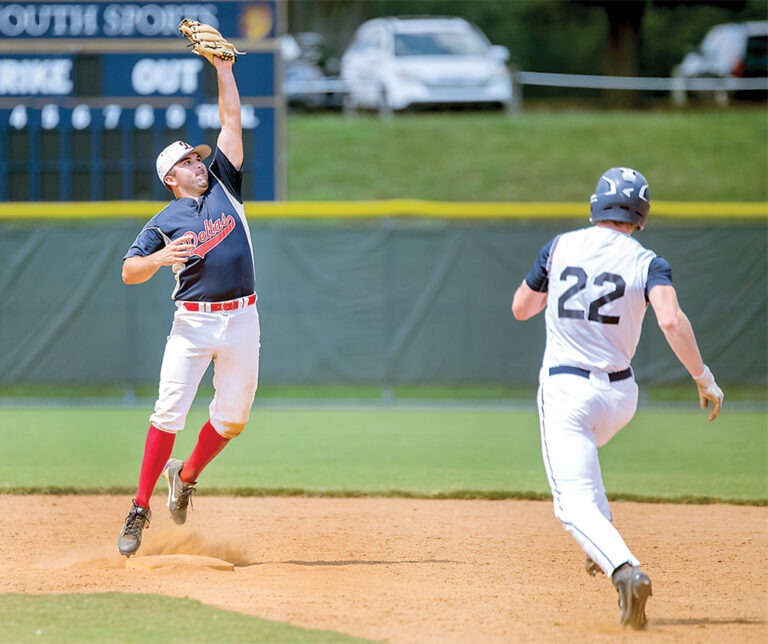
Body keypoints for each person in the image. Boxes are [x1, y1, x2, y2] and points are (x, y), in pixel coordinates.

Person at [511, 167, 723, 629]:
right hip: (621, 397)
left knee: (570, 504)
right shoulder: (649, 262)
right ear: (640, 214)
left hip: (567, 390)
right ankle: (600, 541)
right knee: (585, 468)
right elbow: (670, 321)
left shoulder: (560, 246)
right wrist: (704, 378)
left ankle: (625, 569)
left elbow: (521, 308)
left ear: (596, 205)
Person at [117, 54, 260, 557]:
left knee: (233, 419)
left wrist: (223, 69)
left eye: (198, 158)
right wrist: (157, 258)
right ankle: (139, 507)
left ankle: (187, 475)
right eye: (187, 161)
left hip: (243, 318)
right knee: (168, 413)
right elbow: (128, 272)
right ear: (171, 178)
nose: (198, 163)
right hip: (192, 327)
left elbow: (231, 120)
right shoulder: (163, 220)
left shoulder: (226, 185)